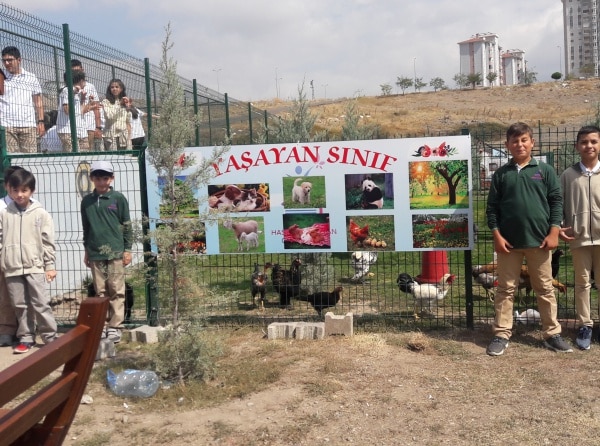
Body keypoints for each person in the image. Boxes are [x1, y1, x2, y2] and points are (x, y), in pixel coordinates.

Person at [485, 121, 571, 356]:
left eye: (524, 140)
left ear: (532, 143)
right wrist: (496, 235)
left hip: (540, 242)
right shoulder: (501, 174)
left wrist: (554, 231)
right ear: (507, 145)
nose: (520, 144)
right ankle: (501, 334)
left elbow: (556, 201)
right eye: (515, 141)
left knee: (544, 288)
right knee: (505, 289)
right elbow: (492, 208)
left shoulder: (544, 171)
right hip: (508, 244)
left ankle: (552, 334)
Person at [0, 169, 57, 354]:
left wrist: (49, 266)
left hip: (35, 266)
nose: (19, 195)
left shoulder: (41, 214)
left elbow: (48, 242)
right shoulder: (4, 213)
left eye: (24, 190)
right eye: (15, 190)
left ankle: (50, 337)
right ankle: (25, 337)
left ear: (32, 191)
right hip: (12, 267)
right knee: (19, 304)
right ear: (9, 190)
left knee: (40, 302)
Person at [81, 161, 132, 343]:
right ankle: (101, 325)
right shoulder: (86, 201)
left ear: (112, 178)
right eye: (97, 178)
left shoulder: (118, 198)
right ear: (92, 179)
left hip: (116, 252)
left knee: (116, 289)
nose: (101, 182)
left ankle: (115, 326)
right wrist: (87, 251)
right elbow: (86, 229)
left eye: (105, 178)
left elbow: (127, 225)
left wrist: (127, 249)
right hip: (95, 253)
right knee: (100, 292)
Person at [559, 125, 600, 350]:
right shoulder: (568, 174)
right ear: (577, 146)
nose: (589, 146)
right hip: (579, 238)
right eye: (584, 142)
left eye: (593, 141)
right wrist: (559, 227)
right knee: (582, 283)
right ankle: (585, 325)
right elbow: (558, 204)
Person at [0, 46, 45, 153]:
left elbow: (38, 101)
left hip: (28, 125)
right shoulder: (1, 77)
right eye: (4, 60)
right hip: (7, 126)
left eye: (10, 60)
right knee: (11, 161)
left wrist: (41, 122)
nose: (7, 63)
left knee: (30, 160)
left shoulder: (31, 77)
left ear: (19, 60)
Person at [0, 165, 25, 347]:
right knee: (5, 295)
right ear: (7, 185)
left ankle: (26, 330)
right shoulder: (1, 206)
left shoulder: (32, 204)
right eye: (13, 185)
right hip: (5, 256)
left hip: (26, 257)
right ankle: (7, 330)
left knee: (27, 295)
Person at [71, 59, 103, 150]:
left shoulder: (90, 86)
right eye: (73, 71)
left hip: (89, 125)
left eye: (77, 70)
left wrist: (98, 127)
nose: (75, 73)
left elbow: (96, 107)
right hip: (74, 126)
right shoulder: (67, 88)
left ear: (82, 70)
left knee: (89, 154)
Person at [56, 70, 90, 151]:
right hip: (68, 130)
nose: (85, 82)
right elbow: (67, 110)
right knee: (73, 158)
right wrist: (73, 93)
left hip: (80, 130)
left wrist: (83, 99)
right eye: (85, 80)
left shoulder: (79, 93)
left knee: (85, 158)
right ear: (81, 81)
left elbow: (80, 111)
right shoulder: (67, 90)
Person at [101, 79, 134, 151]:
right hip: (111, 136)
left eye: (117, 87)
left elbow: (128, 120)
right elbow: (109, 116)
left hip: (123, 135)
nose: (114, 89)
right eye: (112, 87)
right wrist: (119, 105)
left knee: (126, 159)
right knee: (113, 159)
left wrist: (128, 107)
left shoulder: (124, 101)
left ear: (121, 89)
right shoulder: (106, 102)